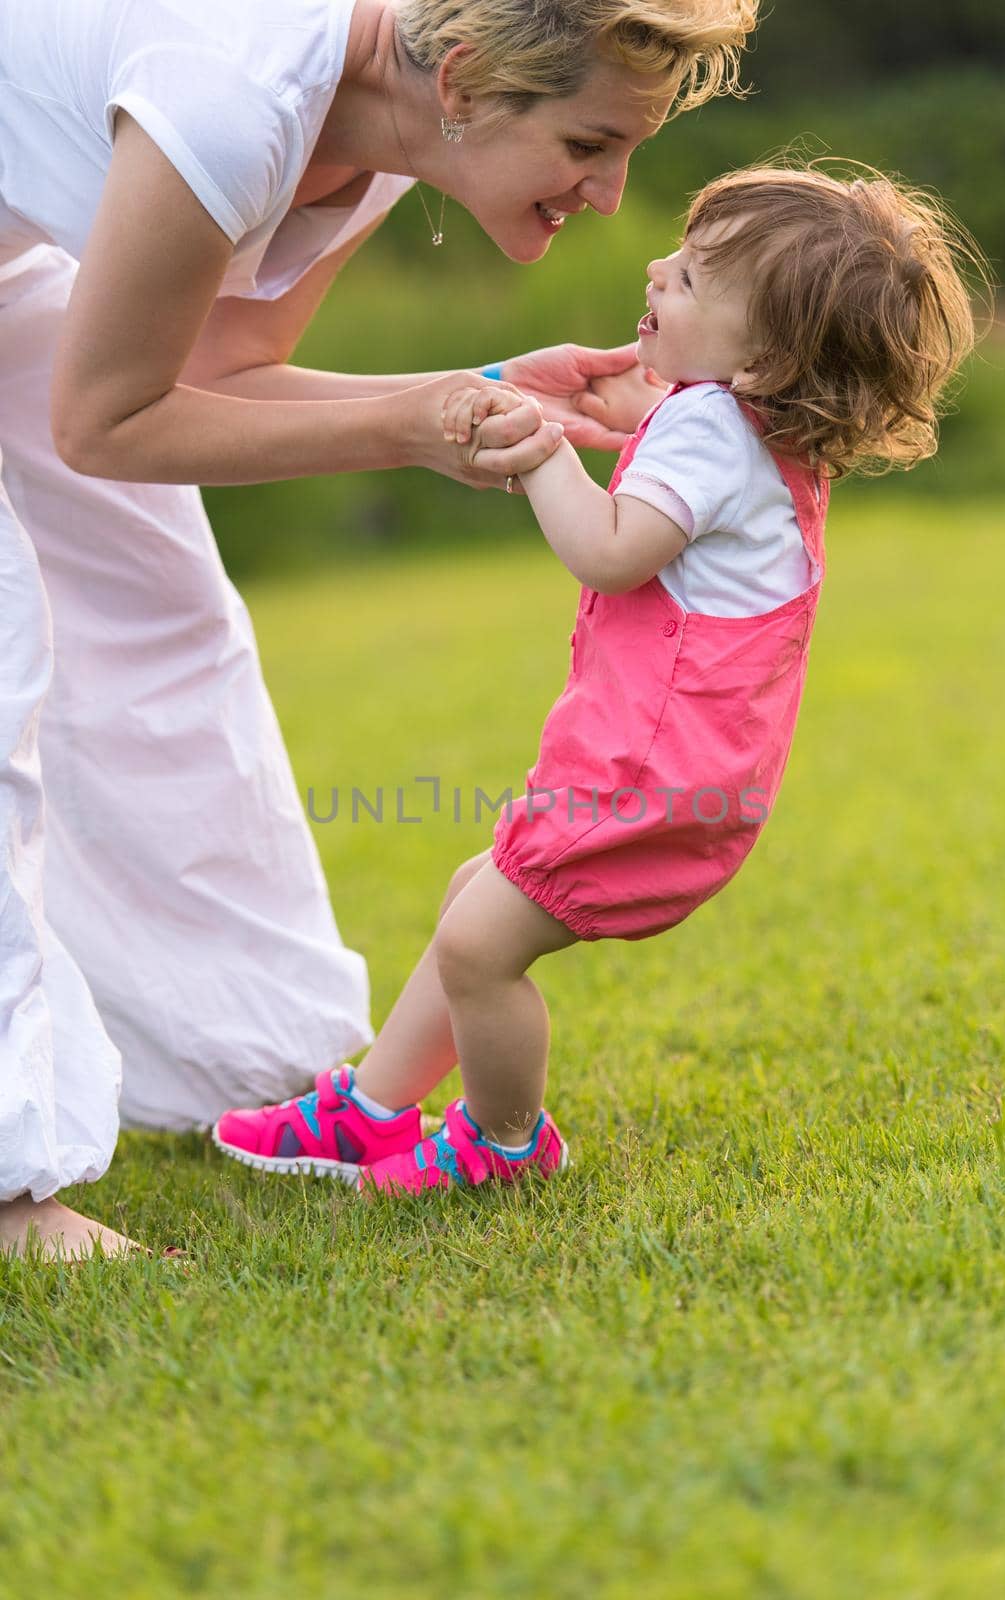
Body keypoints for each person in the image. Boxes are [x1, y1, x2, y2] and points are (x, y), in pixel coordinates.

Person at [0, 0, 760, 1257]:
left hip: (16, 269)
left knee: (163, 614)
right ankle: (11, 1195)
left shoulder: (376, 137)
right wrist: (411, 424)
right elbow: (106, 424)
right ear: (464, 80)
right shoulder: (237, 99)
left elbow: (212, 378)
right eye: (587, 144)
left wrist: (473, 393)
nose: (611, 194)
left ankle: (238, 1057)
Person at [213, 160, 987, 1194]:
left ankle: (504, 1141)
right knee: (470, 903)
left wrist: (541, 452)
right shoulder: (754, 429)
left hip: (645, 777)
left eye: (696, 279)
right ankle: (369, 1112)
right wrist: (644, 402)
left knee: (482, 943)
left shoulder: (715, 431)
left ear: (761, 360)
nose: (660, 271)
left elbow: (612, 549)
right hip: (675, 773)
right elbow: (681, 466)